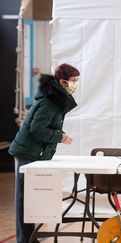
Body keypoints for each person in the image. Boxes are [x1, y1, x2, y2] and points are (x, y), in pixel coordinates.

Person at [9, 63, 79, 243]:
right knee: (24, 200)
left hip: (32, 152)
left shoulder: (55, 98)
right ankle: (24, 240)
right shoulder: (50, 102)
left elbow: (43, 127)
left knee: (31, 198)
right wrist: (60, 136)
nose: (75, 84)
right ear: (62, 82)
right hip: (26, 152)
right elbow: (37, 129)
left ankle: (29, 238)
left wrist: (59, 135)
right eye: (73, 81)